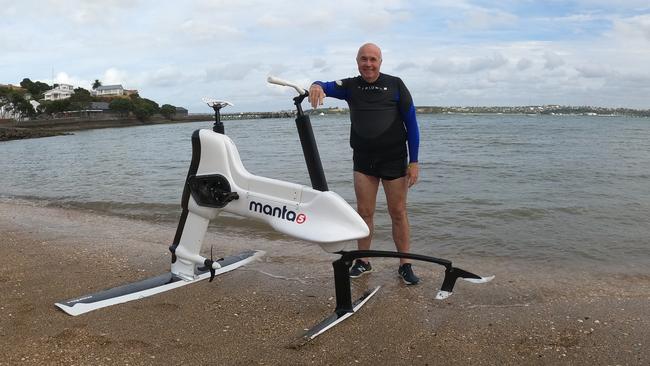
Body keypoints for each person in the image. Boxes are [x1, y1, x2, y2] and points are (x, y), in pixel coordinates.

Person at [308, 42, 421, 285]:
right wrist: (315, 86)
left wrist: (415, 161)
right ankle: (364, 261)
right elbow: (323, 84)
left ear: (380, 62)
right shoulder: (350, 86)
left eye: (373, 59)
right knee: (365, 213)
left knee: (398, 212)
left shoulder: (396, 84)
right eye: (363, 59)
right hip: (364, 160)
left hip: (394, 159)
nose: (368, 64)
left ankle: (405, 264)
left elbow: (411, 123)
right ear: (357, 61)